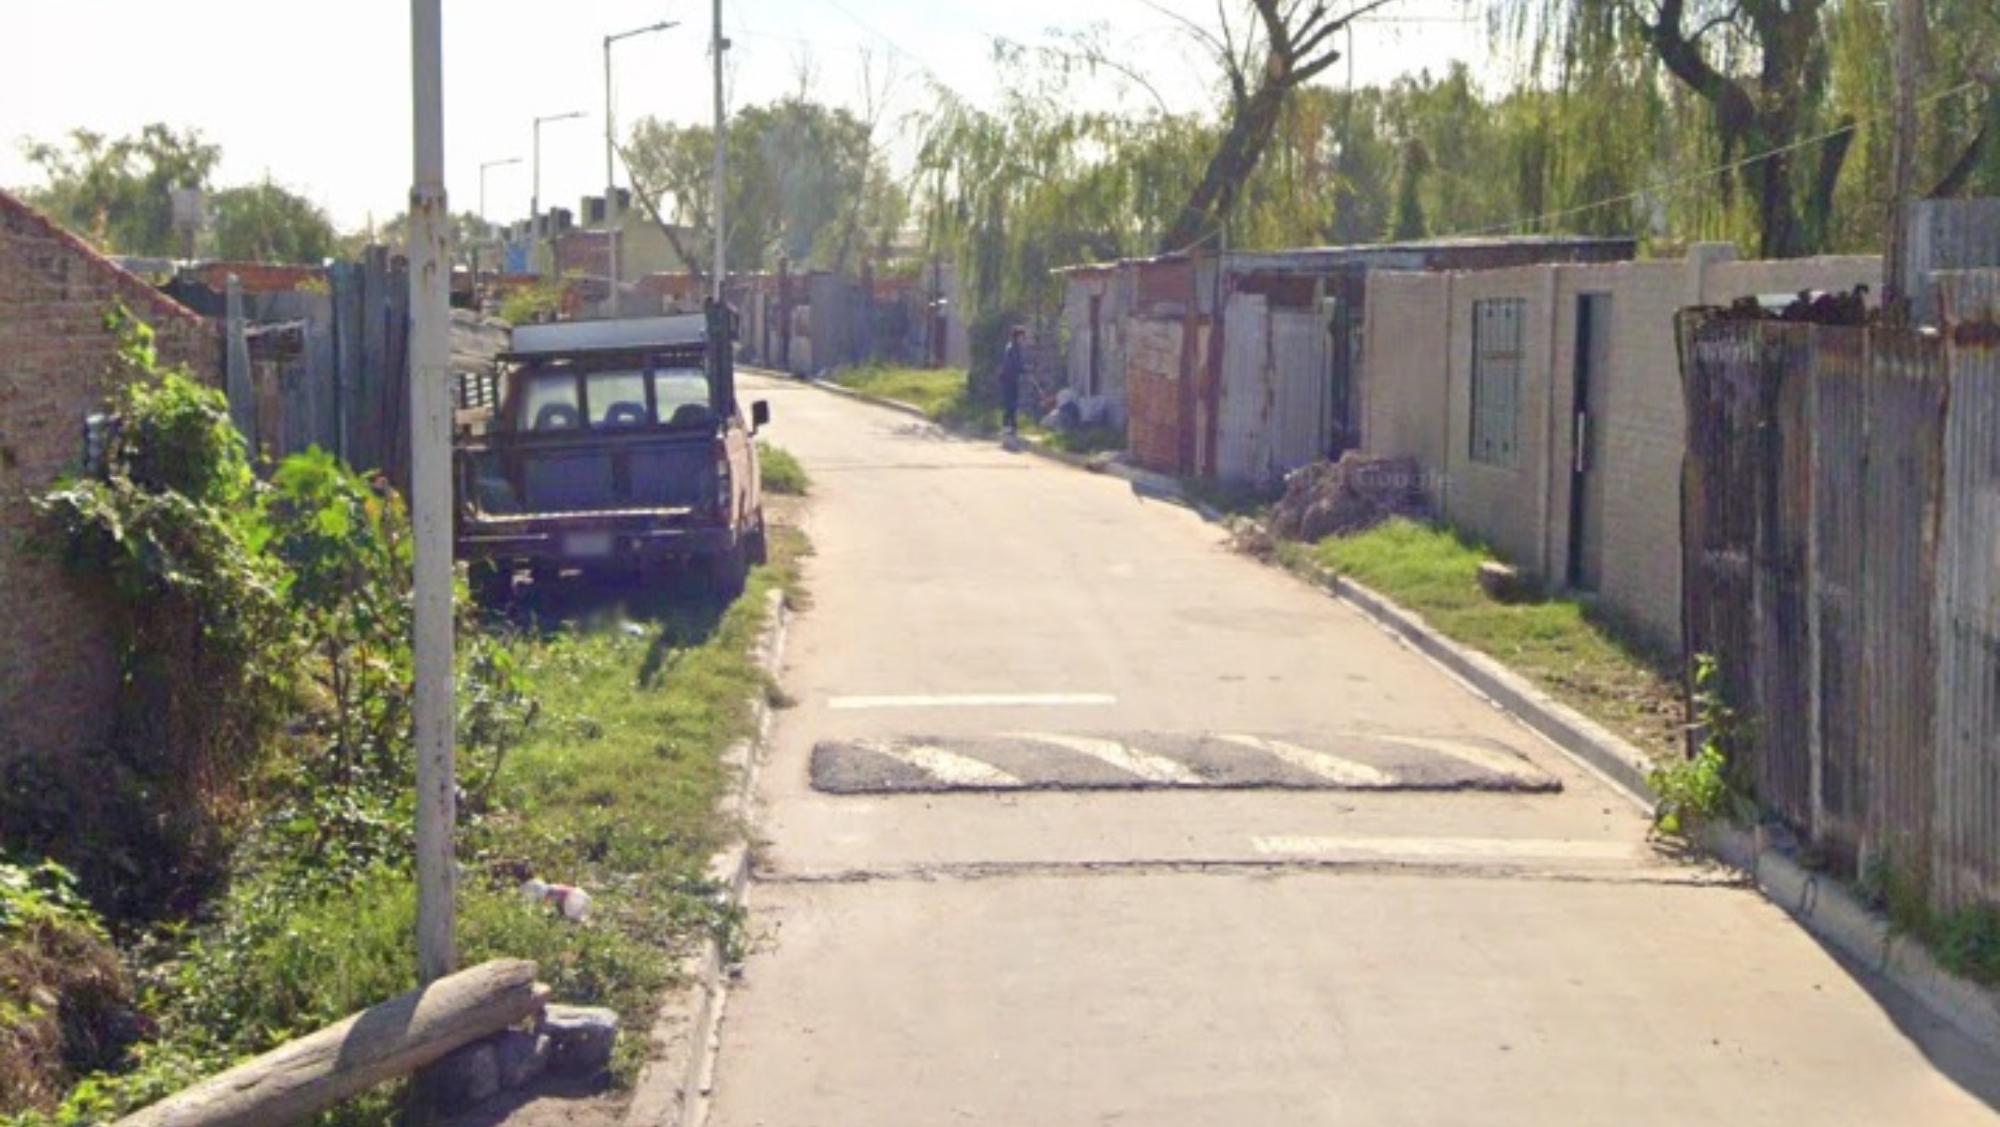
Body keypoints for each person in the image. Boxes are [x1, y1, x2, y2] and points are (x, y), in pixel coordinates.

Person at [999, 326, 1028, 435]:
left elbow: (1017, 364)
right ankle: (1007, 426)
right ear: (1016, 337)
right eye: (1022, 336)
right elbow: (1011, 364)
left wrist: (1023, 369)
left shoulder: (1016, 348)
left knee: (1013, 403)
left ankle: (1012, 426)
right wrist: (1022, 369)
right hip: (1008, 379)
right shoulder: (1011, 348)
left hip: (1013, 379)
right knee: (1009, 404)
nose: (1023, 339)